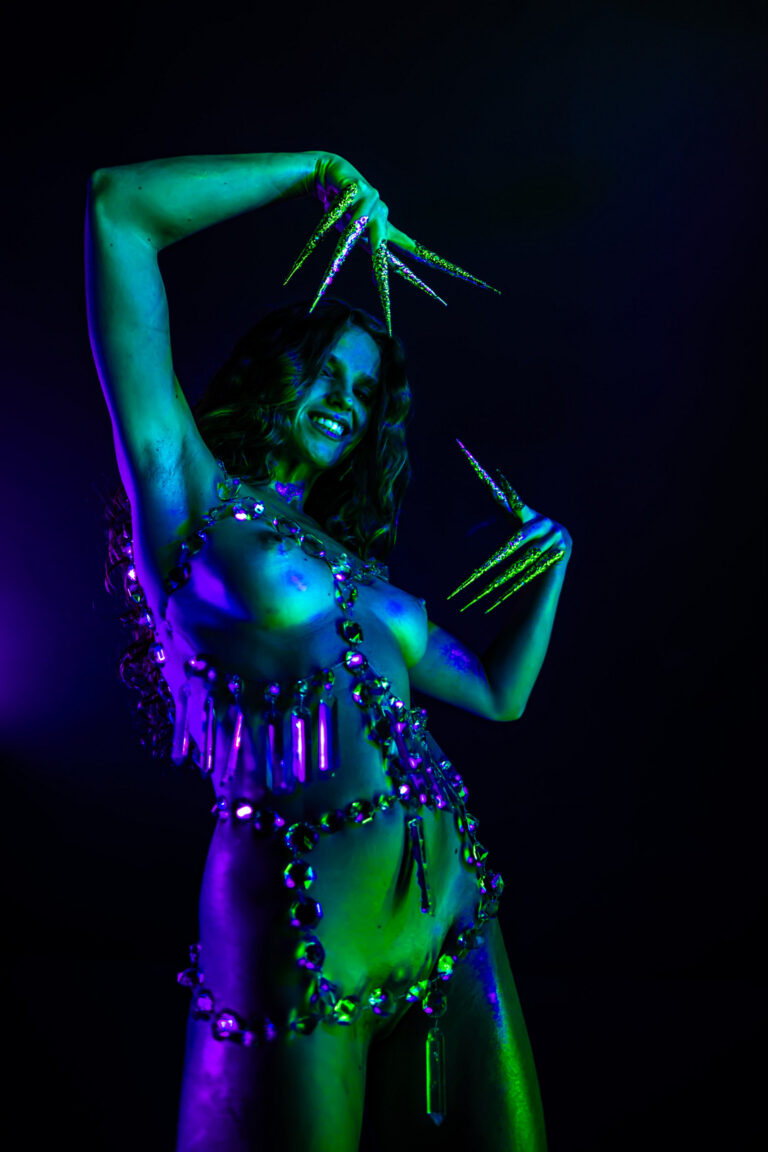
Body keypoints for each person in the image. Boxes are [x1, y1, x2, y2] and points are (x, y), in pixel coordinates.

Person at [85, 150, 571, 1152]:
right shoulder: (188, 490)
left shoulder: (359, 574)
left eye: (366, 390)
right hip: (304, 932)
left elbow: (498, 694)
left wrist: (555, 566)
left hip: (453, 915)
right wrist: (309, 170)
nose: (348, 399)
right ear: (280, 367)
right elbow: (118, 210)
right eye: (328, 371)